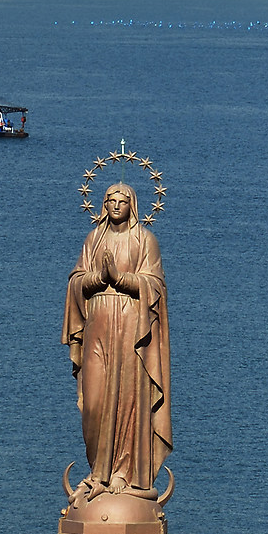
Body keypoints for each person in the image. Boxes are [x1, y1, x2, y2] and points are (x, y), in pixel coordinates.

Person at [61, 183, 171, 500]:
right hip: (96, 323)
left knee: (126, 397)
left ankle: (122, 471)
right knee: (93, 402)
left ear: (133, 205)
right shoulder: (94, 239)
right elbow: (76, 281)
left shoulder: (145, 241)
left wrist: (121, 279)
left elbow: (156, 285)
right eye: (110, 200)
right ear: (103, 204)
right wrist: (99, 278)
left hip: (130, 328)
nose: (116, 205)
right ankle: (97, 470)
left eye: (123, 201)